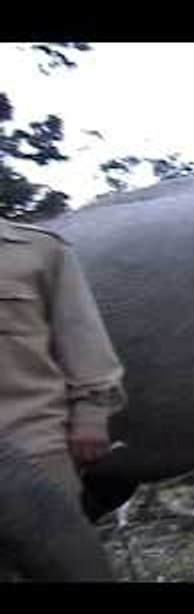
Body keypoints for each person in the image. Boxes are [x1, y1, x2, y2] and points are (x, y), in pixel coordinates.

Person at [0, 216, 125, 512]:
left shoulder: (40, 250)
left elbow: (82, 336)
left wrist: (91, 415)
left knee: (53, 554)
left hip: (31, 443)